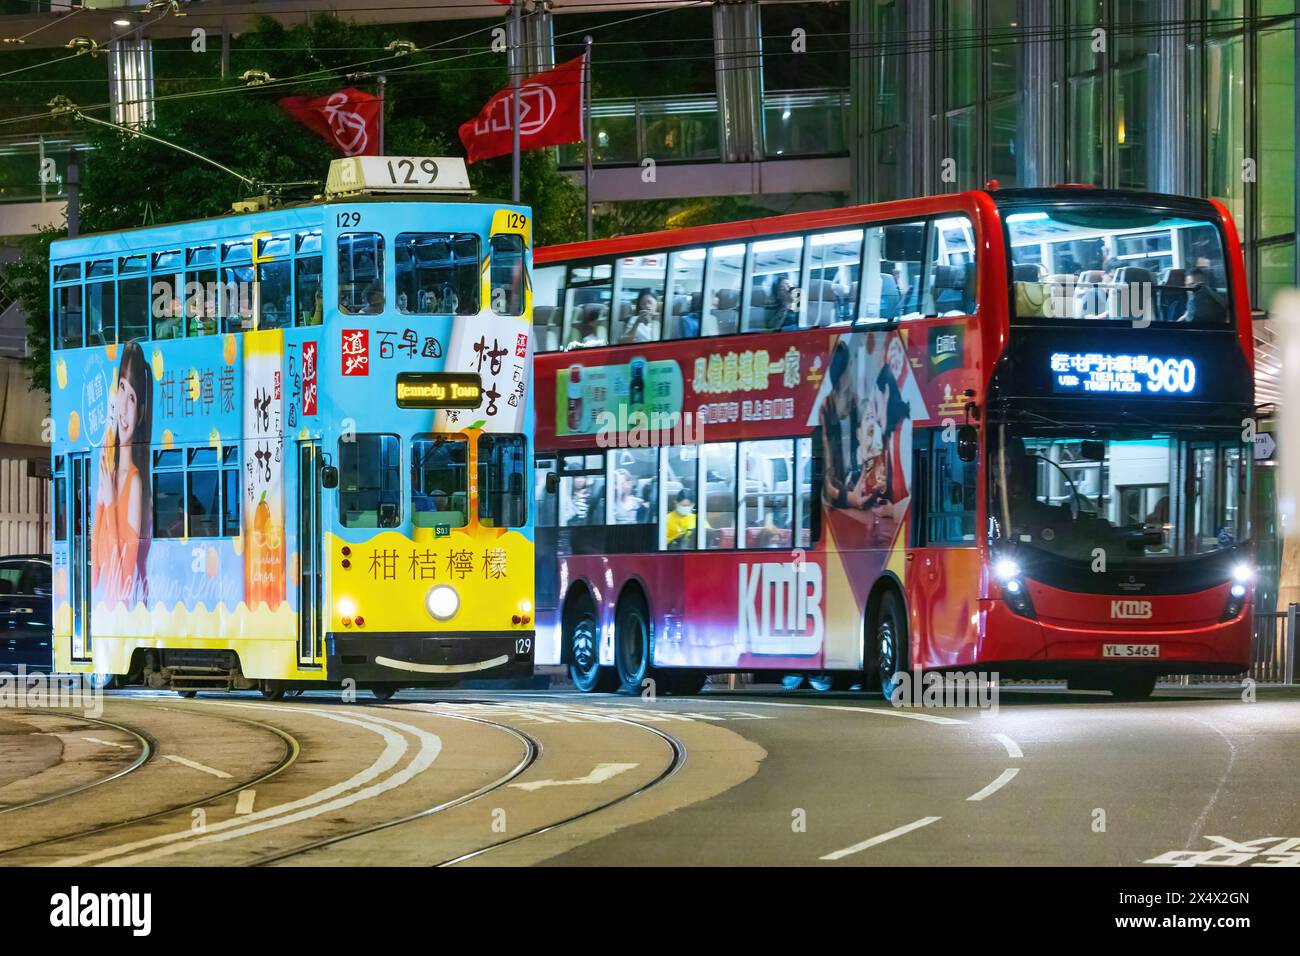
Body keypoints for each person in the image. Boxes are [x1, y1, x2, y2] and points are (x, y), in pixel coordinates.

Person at [92, 340, 153, 608]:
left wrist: (111, 501)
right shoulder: (109, 472)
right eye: (122, 388)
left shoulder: (135, 481)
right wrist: (104, 502)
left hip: (119, 613)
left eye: (133, 398)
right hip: (103, 615)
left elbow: (121, 582)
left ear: (140, 413)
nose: (125, 409)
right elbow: (94, 570)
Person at [820, 343, 868, 509]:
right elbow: (827, 479)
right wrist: (847, 497)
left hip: (857, 489)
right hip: (837, 500)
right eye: (849, 365)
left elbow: (865, 451)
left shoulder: (856, 404)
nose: (852, 369)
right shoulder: (826, 408)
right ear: (841, 373)